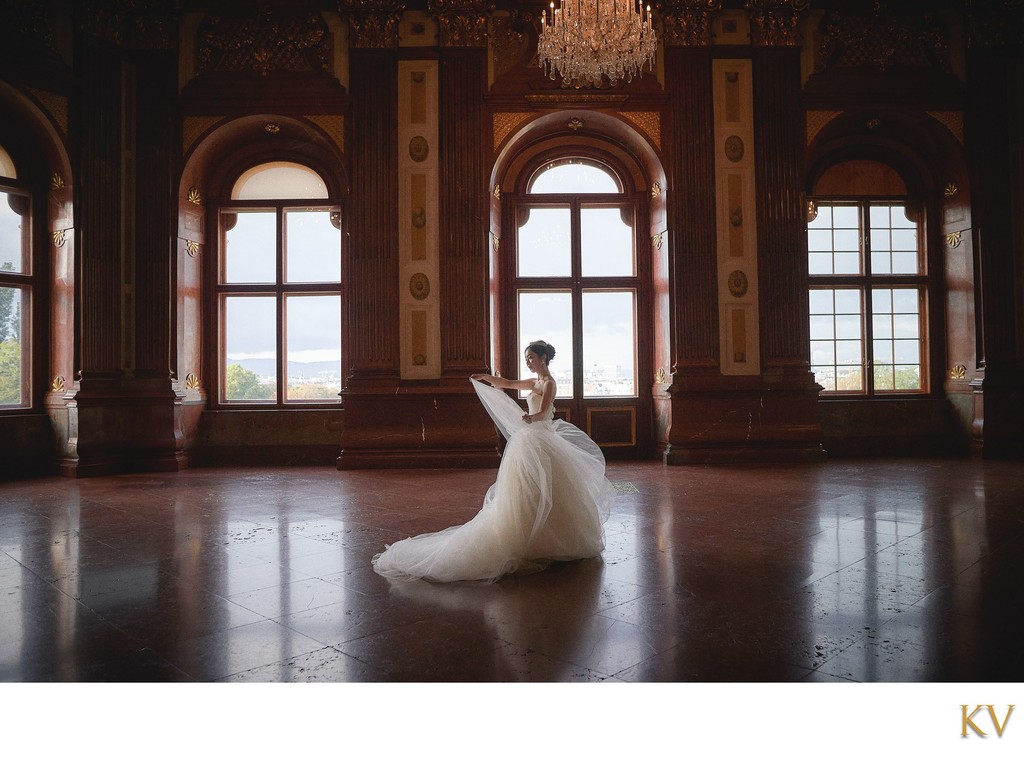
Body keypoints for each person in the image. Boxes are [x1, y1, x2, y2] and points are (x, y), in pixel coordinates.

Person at [371, 340, 614, 583]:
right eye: (526, 357)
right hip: (529, 439)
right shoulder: (535, 382)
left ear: (543, 358)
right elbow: (508, 384)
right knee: (525, 489)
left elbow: (544, 411)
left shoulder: (549, 383)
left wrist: (532, 417)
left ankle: (551, 537)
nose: (527, 361)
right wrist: (486, 378)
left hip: (541, 438)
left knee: (550, 487)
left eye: (531, 357)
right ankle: (528, 535)